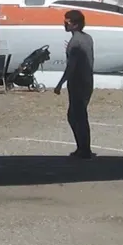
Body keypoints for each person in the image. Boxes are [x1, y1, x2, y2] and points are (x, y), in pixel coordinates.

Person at [53, 9, 94, 157]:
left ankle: (84, 149)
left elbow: (72, 65)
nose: (64, 23)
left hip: (78, 82)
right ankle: (82, 147)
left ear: (74, 25)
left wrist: (60, 83)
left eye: (67, 21)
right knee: (77, 114)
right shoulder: (87, 38)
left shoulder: (75, 42)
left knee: (77, 115)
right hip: (88, 80)